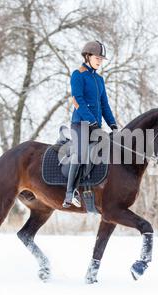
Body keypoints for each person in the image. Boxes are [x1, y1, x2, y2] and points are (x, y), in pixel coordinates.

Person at [63, 40, 118, 208]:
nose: (100, 61)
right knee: (80, 155)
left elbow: (104, 105)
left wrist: (113, 125)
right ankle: (69, 193)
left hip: (96, 126)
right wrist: (91, 120)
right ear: (87, 56)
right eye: (97, 58)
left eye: (102, 59)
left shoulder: (99, 80)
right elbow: (77, 100)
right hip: (80, 124)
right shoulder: (78, 75)